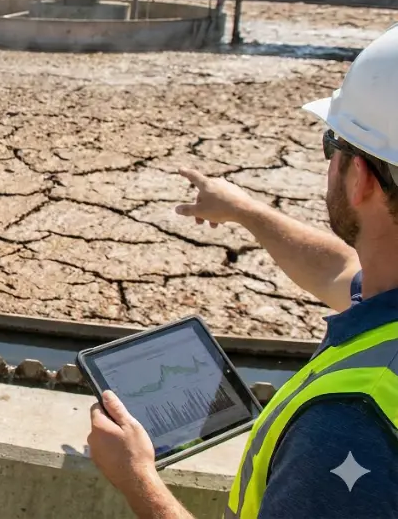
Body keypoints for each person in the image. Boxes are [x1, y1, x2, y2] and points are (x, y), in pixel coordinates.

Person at [88, 27, 398, 519]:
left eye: (332, 143)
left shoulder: (350, 423)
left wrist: (136, 478)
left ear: (359, 176)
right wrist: (246, 210)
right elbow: (342, 271)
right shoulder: (388, 300)